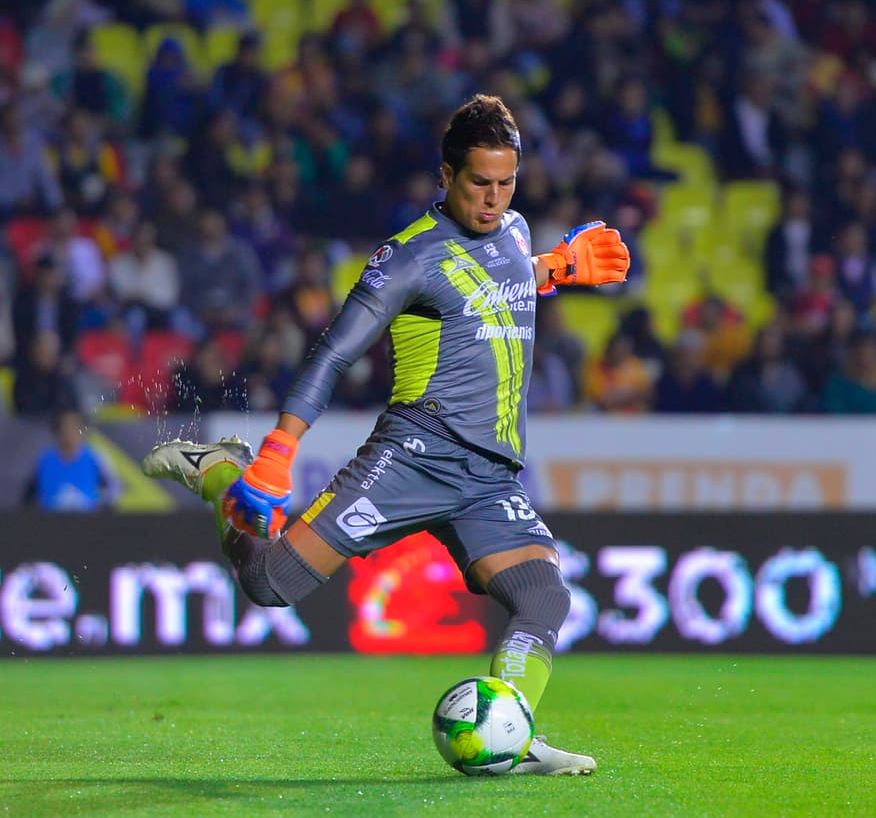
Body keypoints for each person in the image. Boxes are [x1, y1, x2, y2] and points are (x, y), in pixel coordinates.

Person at [141, 96, 628, 775]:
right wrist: (280, 450)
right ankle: (220, 468)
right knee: (268, 584)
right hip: (413, 456)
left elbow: (505, 278)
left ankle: (508, 732)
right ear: (445, 175)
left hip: (487, 476)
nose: (492, 199)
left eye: (505, 182)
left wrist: (560, 266)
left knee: (545, 596)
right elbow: (334, 354)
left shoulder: (515, 233)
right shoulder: (406, 259)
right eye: (478, 183)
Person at [24, 408, 118, 511]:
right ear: (57, 433)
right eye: (65, 430)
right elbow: (28, 497)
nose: (69, 435)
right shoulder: (44, 461)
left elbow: (113, 490)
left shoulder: (95, 458)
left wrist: (97, 505)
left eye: (73, 429)